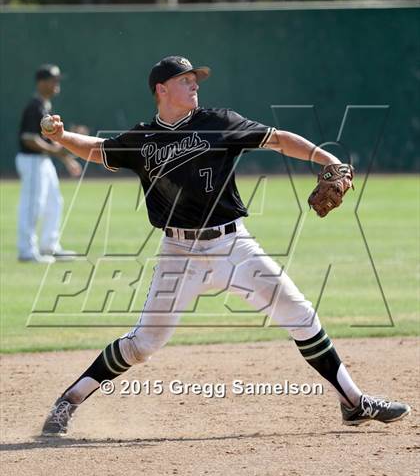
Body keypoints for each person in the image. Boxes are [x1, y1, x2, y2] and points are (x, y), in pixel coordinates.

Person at [40, 55, 410, 436]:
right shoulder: (143, 139)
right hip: (178, 253)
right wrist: (62, 138)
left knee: (300, 315)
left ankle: (353, 401)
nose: (195, 85)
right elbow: (100, 150)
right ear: (161, 89)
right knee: (144, 344)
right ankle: (70, 400)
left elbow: (279, 140)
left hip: (233, 246)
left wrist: (327, 158)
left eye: (195, 79)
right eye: (185, 80)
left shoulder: (220, 123)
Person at [16, 64, 82, 263]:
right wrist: (56, 151)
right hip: (32, 160)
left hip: (42, 161)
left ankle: (49, 246)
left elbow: (49, 141)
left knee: (54, 202)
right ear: (41, 82)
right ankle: (26, 251)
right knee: (32, 205)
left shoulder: (44, 105)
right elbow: (28, 139)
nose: (56, 83)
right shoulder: (34, 106)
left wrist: (67, 159)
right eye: (53, 80)